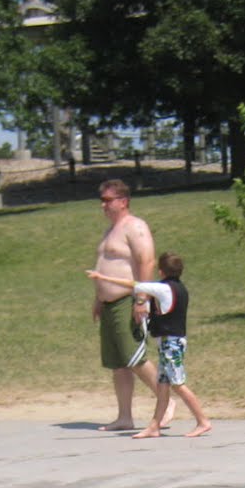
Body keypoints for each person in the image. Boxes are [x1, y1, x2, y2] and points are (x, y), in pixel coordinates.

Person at [84, 251, 211, 438]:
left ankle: (203, 421)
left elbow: (133, 284)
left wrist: (102, 277)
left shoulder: (164, 289)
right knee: (163, 386)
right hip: (170, 343)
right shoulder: (181, 289)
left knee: (178, 385)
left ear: (161, 271)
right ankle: (154, 426)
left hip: (171, 345)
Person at [88, 179, 166, 430]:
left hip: (128, 300)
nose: (103, 205)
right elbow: (105, 268)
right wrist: (98, 299)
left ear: (123, 201)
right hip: (109, 304)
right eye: (101, 200)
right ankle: (124, 417)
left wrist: (142, 298)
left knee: (135, 357)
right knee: (118, 363)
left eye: (107, 200)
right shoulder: (110, 231)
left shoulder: (135, 226)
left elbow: (147, 260)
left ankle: (166, 402)